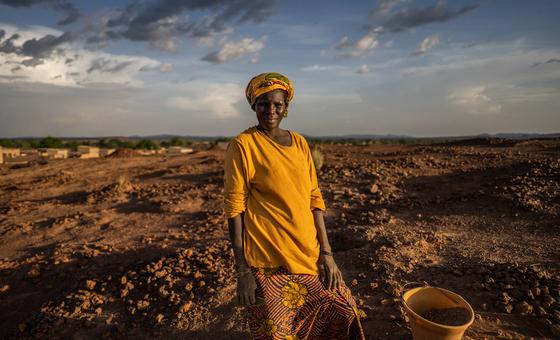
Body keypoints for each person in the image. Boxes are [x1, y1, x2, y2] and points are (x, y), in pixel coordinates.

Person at [224, 72, 364, 340]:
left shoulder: (300, 142)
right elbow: (235, 208)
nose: (270, 110)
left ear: (286, 107)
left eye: (277, 104)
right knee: (278, 333)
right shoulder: (243, 145)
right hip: (269, 261)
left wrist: (327, 253)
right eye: (263, 104)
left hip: (308, 255)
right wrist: (242, 271)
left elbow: (314, 197)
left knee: (343, 313)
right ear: (253, 105)